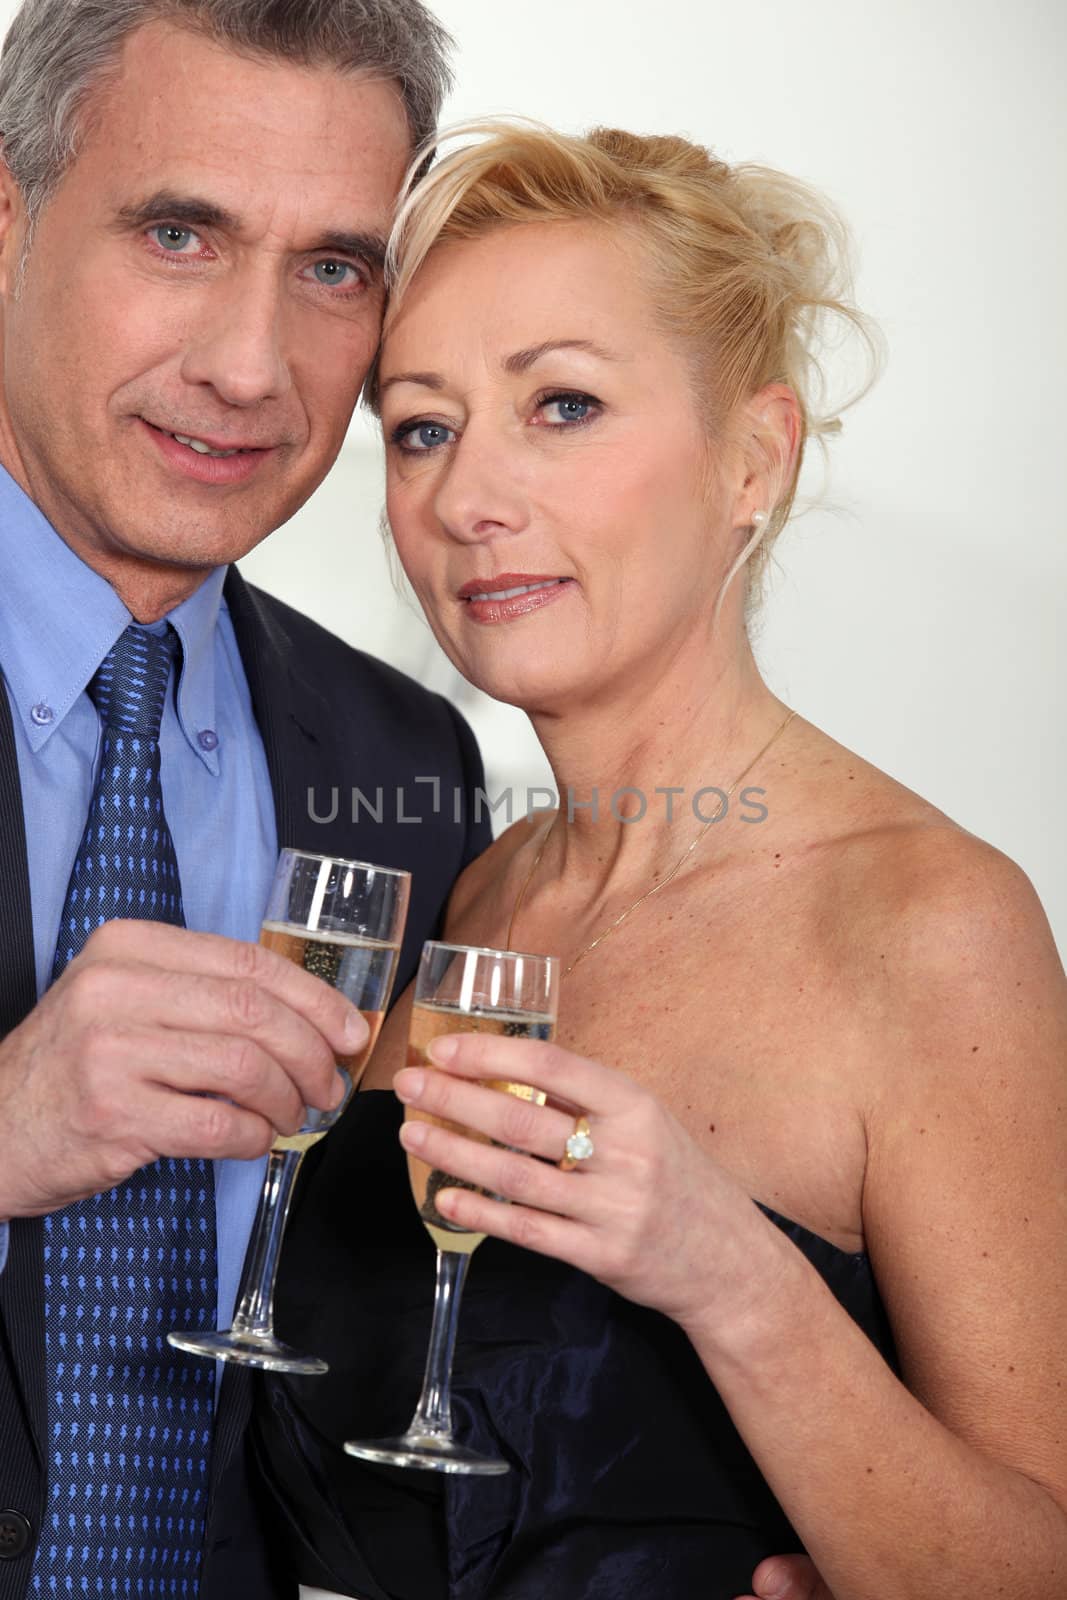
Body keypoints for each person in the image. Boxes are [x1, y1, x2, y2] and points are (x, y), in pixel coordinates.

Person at [254, 123, 1067, 1599]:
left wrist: (726, 1269)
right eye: (423, 427)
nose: (467, 497)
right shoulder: (469, 896)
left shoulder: (931, 921)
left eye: (562, 404)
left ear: (753, 459)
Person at [0, 2, 493, 1595]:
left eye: (335, 268)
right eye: (179, 233)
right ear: (5, 224)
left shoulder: (409, 764)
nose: (250, 366)